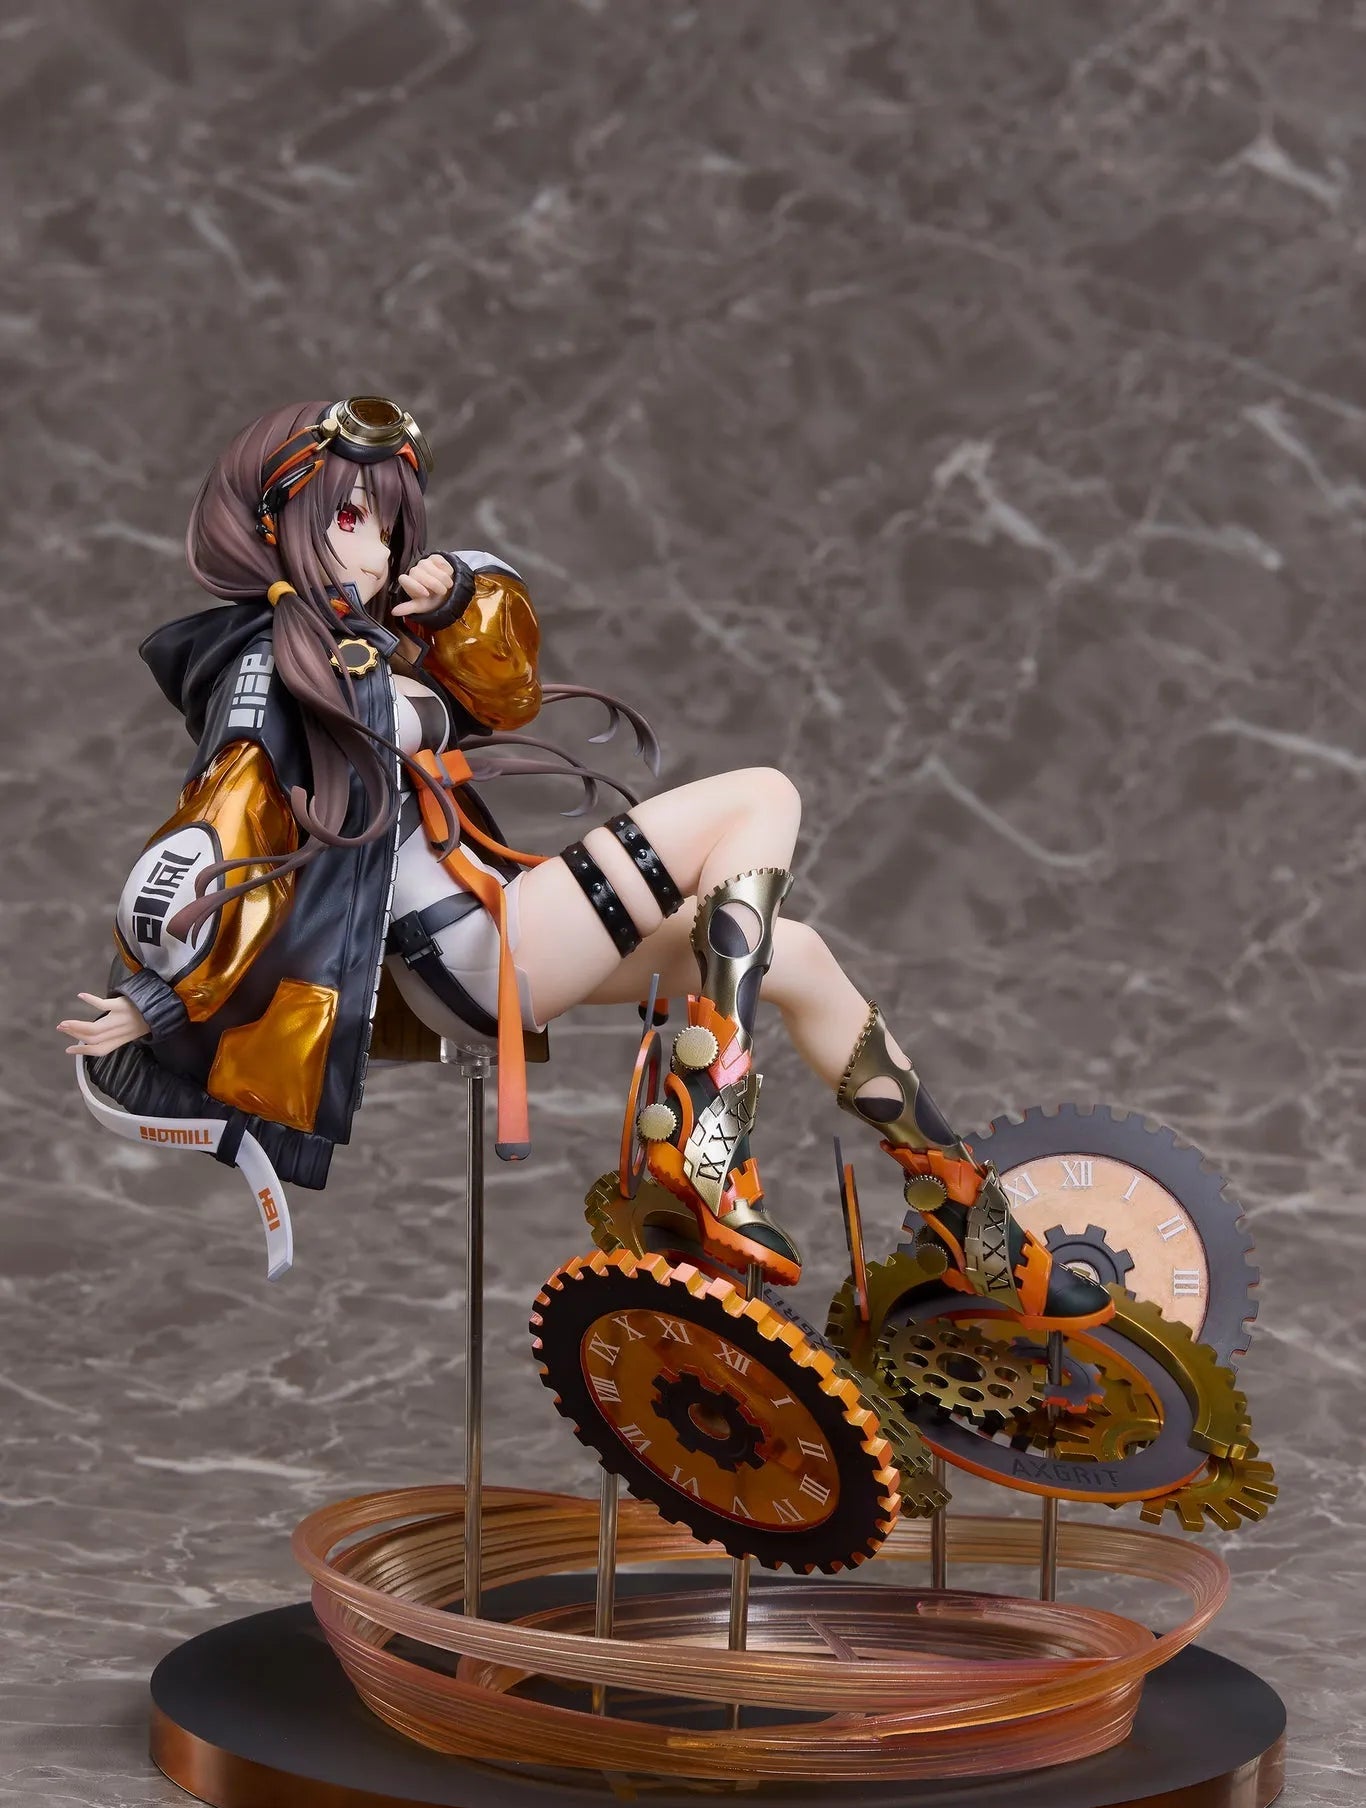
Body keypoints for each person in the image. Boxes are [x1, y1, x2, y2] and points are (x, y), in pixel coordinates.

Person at [58, 394, 1114, 1334]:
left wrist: (456, 595)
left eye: (386, 522)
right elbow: (218, 844)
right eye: (348, 519)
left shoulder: (361, 644)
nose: (375, 548)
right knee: (761, 797)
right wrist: (155, 998)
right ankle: (703, 1138)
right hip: (472, 952)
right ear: (268, 525)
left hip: (491, 925)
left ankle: (960, 1211)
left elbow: (504, 692)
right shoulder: (268, 670)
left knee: (795, 955)